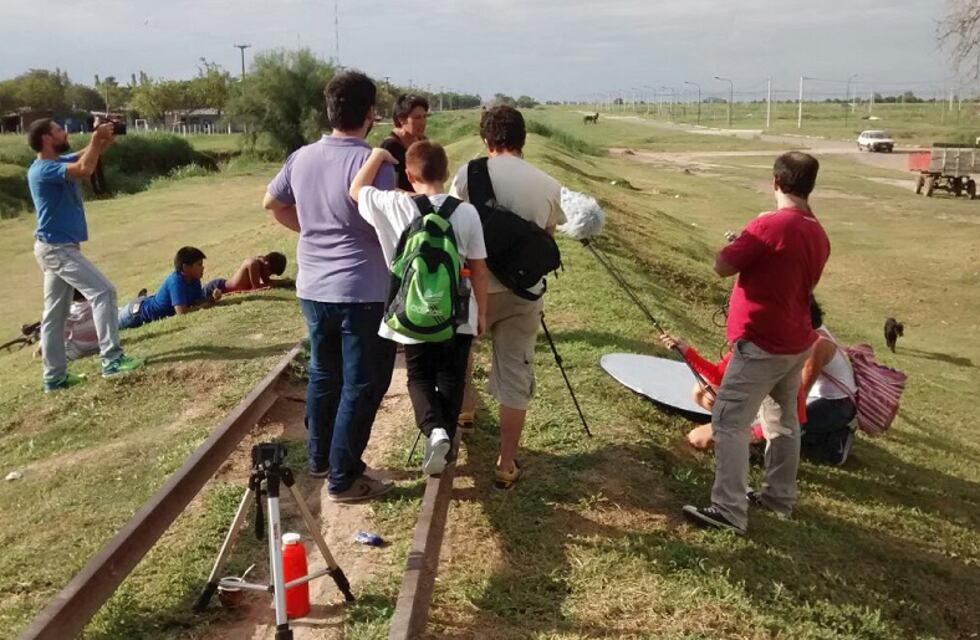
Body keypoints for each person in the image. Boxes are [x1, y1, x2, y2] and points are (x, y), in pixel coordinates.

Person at [263, 70, 397, 503]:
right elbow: (387, 224)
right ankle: (344, 476)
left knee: (324, 372)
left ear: (329, 110)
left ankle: (320, 458)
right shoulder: (374, 165)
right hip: (362, 289)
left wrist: (311, 229)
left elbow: (272, 203)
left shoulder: (301, 158)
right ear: (370, 113)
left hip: (313, 286)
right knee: (362, 383)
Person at [682, 151, 830, 535]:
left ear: (776, 181)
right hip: (795, 342)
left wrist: (748, 236)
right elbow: (787, 271)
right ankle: (779, 499)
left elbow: (722, 266)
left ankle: (729, 510)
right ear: (810, 186)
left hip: (762, 344)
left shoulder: (769, 225)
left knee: (729, 421)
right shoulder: (817, 232)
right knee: (782, 421)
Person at [350, 141, 490, 475]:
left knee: (419, 375)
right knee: (452, 376)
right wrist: (482, 313)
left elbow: (356, 191)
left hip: (411, 311)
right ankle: (445, 442)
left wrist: (377, 155)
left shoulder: (396, 204)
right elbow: (479, 269)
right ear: (445, 172)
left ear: (410, 177)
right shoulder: (466, 212)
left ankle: (434, 430)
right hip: (457, 311)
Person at [450, 105, 567, 490]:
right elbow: (545, 241)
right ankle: (505, 462)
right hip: (522, 294)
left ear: (487, 140)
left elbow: (452, 223)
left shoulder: (468, 174)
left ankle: (465, 410)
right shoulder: (548, 185)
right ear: (523, 139)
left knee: (463, 351)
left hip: (474, 287)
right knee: (515, 373)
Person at [662, 299, 857, 465]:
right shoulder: (766, 335)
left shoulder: (815, 345)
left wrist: (752, 431)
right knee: (702, 393)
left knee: (701, 438)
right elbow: (720, 376)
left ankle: (832, 442)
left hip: (833, 403)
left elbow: (794, 406)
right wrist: (687, 352)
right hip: (785, 399)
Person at [27, 118, 143, 392]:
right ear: (46, 138)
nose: (64, 132)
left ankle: (54, 377)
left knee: (54, 316)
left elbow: (86, 156)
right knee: (104, 292)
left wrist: (102, 137)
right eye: (58, 130)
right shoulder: (43, 169)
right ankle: (112, 360)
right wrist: (95, 140)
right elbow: (84, 168)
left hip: (55, 247)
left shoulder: (56, 162)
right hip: (58, 249)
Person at [118, 246, 218, 330]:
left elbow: (197, 301)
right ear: (186, 267)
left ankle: (139, 299)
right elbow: (181, 312)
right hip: (135, 316)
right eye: (199, 264)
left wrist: (212, 298)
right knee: (110, 324)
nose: (203, 267)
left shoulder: (194, 280)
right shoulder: (176, 280)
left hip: (146, 302)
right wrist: (204, 306)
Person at [380, 94, 429, 191]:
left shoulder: (423, 142)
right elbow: (388, 189)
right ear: (402, 119)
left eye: (424, 117)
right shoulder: (390, 146)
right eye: (417, 118)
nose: (423, 122)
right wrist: (420, 197)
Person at [203, 251, 293, 298]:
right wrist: (275, 285)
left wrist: (284, 282)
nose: (268, 275)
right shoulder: (253, 264)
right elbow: (255, 289)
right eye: (270, 273)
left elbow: (267, 282)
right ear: (267, 264)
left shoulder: (262, 265)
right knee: (198, 301)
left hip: (224, 286)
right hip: (218, 287)